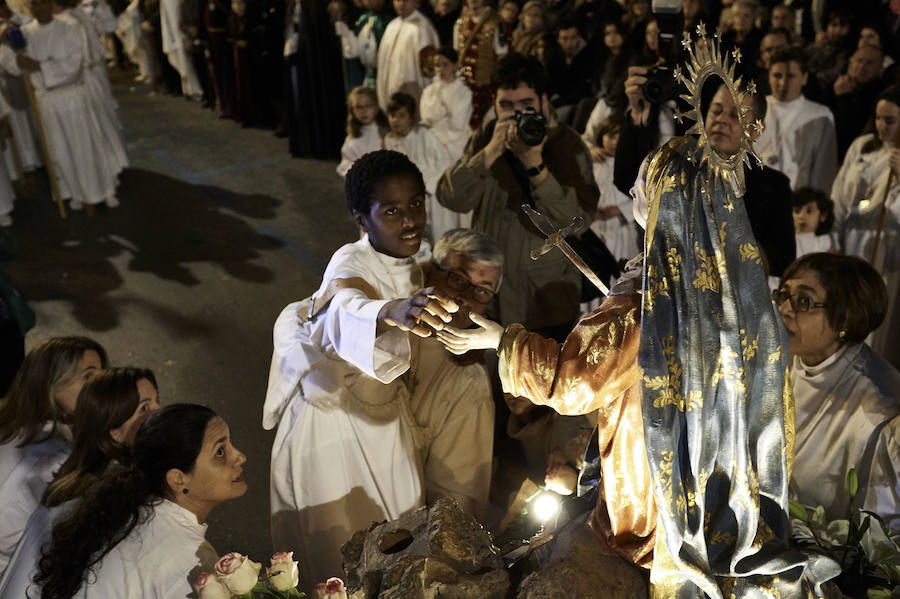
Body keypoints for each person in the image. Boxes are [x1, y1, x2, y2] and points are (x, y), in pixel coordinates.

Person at [438, 71, 834, 594]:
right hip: (723, 489)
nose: (634, 195)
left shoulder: (650, 300)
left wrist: (499, 340)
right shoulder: (743, 290)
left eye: (644, 187)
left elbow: (575, 381)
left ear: (663, 203)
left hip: (656, 499)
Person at [264, 150, 457, 593]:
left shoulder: (415, 254)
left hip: (385, 421)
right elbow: (344, 309)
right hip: (334, 430)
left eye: (416, 204)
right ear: (361, 220)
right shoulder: (348, 265)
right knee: (342, 550)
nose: (409, 220)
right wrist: (392, 310)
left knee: (402, 533)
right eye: (391, 210)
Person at [436, 52, 597, 339]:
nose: (517, 113)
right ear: (495, 105)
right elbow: (452, 198)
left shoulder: (565, 143)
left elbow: (578, 220)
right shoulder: (487, 137)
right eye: (506, 105)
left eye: (527, 104)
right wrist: (488, 154)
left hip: (545, 299)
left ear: (544, 101)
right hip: (489, 292)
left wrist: (536, 167)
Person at [32, 404, 246, 597]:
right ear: (178, 479)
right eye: (220, 452)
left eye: (229, 444)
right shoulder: (192, 564)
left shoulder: (129, 513)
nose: (239, 456)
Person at [0, 367, 160, 597]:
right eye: (145, 408)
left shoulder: (84, 476)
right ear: (115, 431)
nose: (159, 412)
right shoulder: (106, 492)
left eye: (157, 401)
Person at [775, 253, 900, 527]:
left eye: (803, 301)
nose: (784, 308)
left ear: (844, 317)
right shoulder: (782, 360)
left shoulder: (877, 411)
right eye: (784, 294)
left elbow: (878, 533)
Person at [0, 0, 124, 211]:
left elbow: (74, 64)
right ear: (29, 7)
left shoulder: (70, 27)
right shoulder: (26, 32)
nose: (39, 9)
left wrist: (39, 65)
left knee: (86, 146)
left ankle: (103, 189)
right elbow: (12, 64)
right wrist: (6, 48)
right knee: (59, 150)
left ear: (50, 5)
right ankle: (72, 191)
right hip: (47, 101)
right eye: (34, 5)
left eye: (42, 4)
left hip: (72, 97)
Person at [0, 336, 107, 577]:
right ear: (50, 383)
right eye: (89, 376)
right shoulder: (55, 453)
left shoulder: (15, 425)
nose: (102, 387)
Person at [831, 84, 900, 368]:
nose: (881, 125)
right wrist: (832, 239)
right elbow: (838, 193)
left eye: (890, 120)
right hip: (851, 240)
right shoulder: (862, 146)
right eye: (878, 118)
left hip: (884, 245)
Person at [754, 46, 839, 194]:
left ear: (804, 78)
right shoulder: (754, 107)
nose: (783, 83)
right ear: (769, 76)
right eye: (777, 76)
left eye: (791, 76)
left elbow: (823, 170)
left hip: (796, 200)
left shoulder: (819, 115)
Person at [383, 92, 455, 239]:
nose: (395, 120)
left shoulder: (423, 135)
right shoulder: (390, 141)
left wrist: (428, 182)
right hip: (407, 195)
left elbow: (445, 161)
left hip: (431, 193)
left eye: (401, 116)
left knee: (438, 233)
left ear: (410, 117)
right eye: (392, 115)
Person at [825, 44, 886, 159]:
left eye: (869, 63)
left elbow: (851, 132)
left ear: (880, 69)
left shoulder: (879, 96)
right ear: (850, 63)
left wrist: (843, 98)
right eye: (859, 61)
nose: (862, 67)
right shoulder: (834, 86)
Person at [375, 0, 439, 109]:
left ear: (417, 2)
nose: (401, 4)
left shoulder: (422, 27)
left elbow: (429, 68)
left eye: (406, 0)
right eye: (398, 0)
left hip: (414, 88)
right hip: (392, 89)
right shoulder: (392, 26)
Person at [452, 0, 505, 127]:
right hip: (464, 84)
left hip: (486, 86)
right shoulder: (460, 23)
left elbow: (502, 55)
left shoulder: (497, 23)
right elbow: (457, 53)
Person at [419, 46, 473, 159]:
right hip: (431, 141)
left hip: (456, 143)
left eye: (445, 64)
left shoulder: (464, 93)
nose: (441, 69)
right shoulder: (429, 91)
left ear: (455, 66)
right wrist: (446, 113)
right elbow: (427, 117)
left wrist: (439, 117)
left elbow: (457, 124)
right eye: (437, 65)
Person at [543, 18, 593, 126]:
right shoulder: (554, 55)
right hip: (556, 99)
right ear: (558, 40)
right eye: (565, 39)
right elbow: (548, 82)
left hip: (576, 103)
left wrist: (557, 102)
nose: (569, 43)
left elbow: (583, 90)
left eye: (573, 38)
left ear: (579, 37)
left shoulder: (589, 56)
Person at [337, 86, 387, 178]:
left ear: (376, 107)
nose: (364, 111)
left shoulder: (386, 132)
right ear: (352, 110)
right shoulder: (352, 137)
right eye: (358, 107)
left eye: (368, 105)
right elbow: (346, 163)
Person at [792, 187, 836, 257]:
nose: (801, 216)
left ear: (823, 216)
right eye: (797, 211)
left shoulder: (827, 242)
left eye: (809, 211)